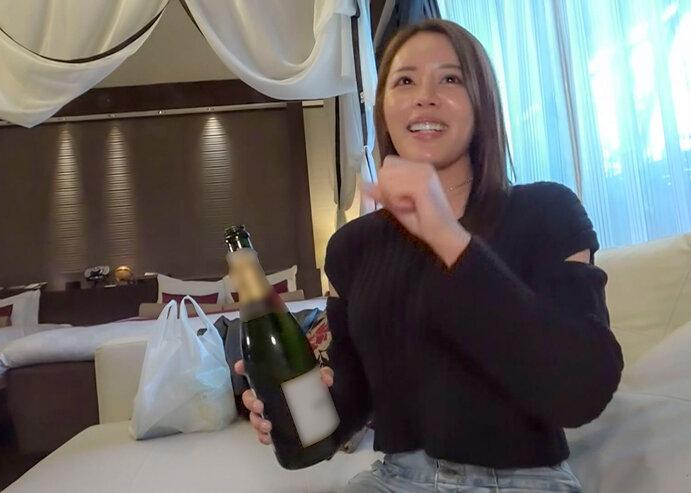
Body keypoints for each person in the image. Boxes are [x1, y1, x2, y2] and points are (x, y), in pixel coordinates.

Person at [235, 19, 623, 492]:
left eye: (450, 78)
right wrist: (292, 411)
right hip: (395, 479)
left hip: (525, 479)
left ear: (481, 103)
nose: (425, 96)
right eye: (405, 81)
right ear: (384, 109)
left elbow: (582, 392)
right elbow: (353, 402)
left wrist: (444, 233)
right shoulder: (351, 247)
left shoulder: (547, 211)